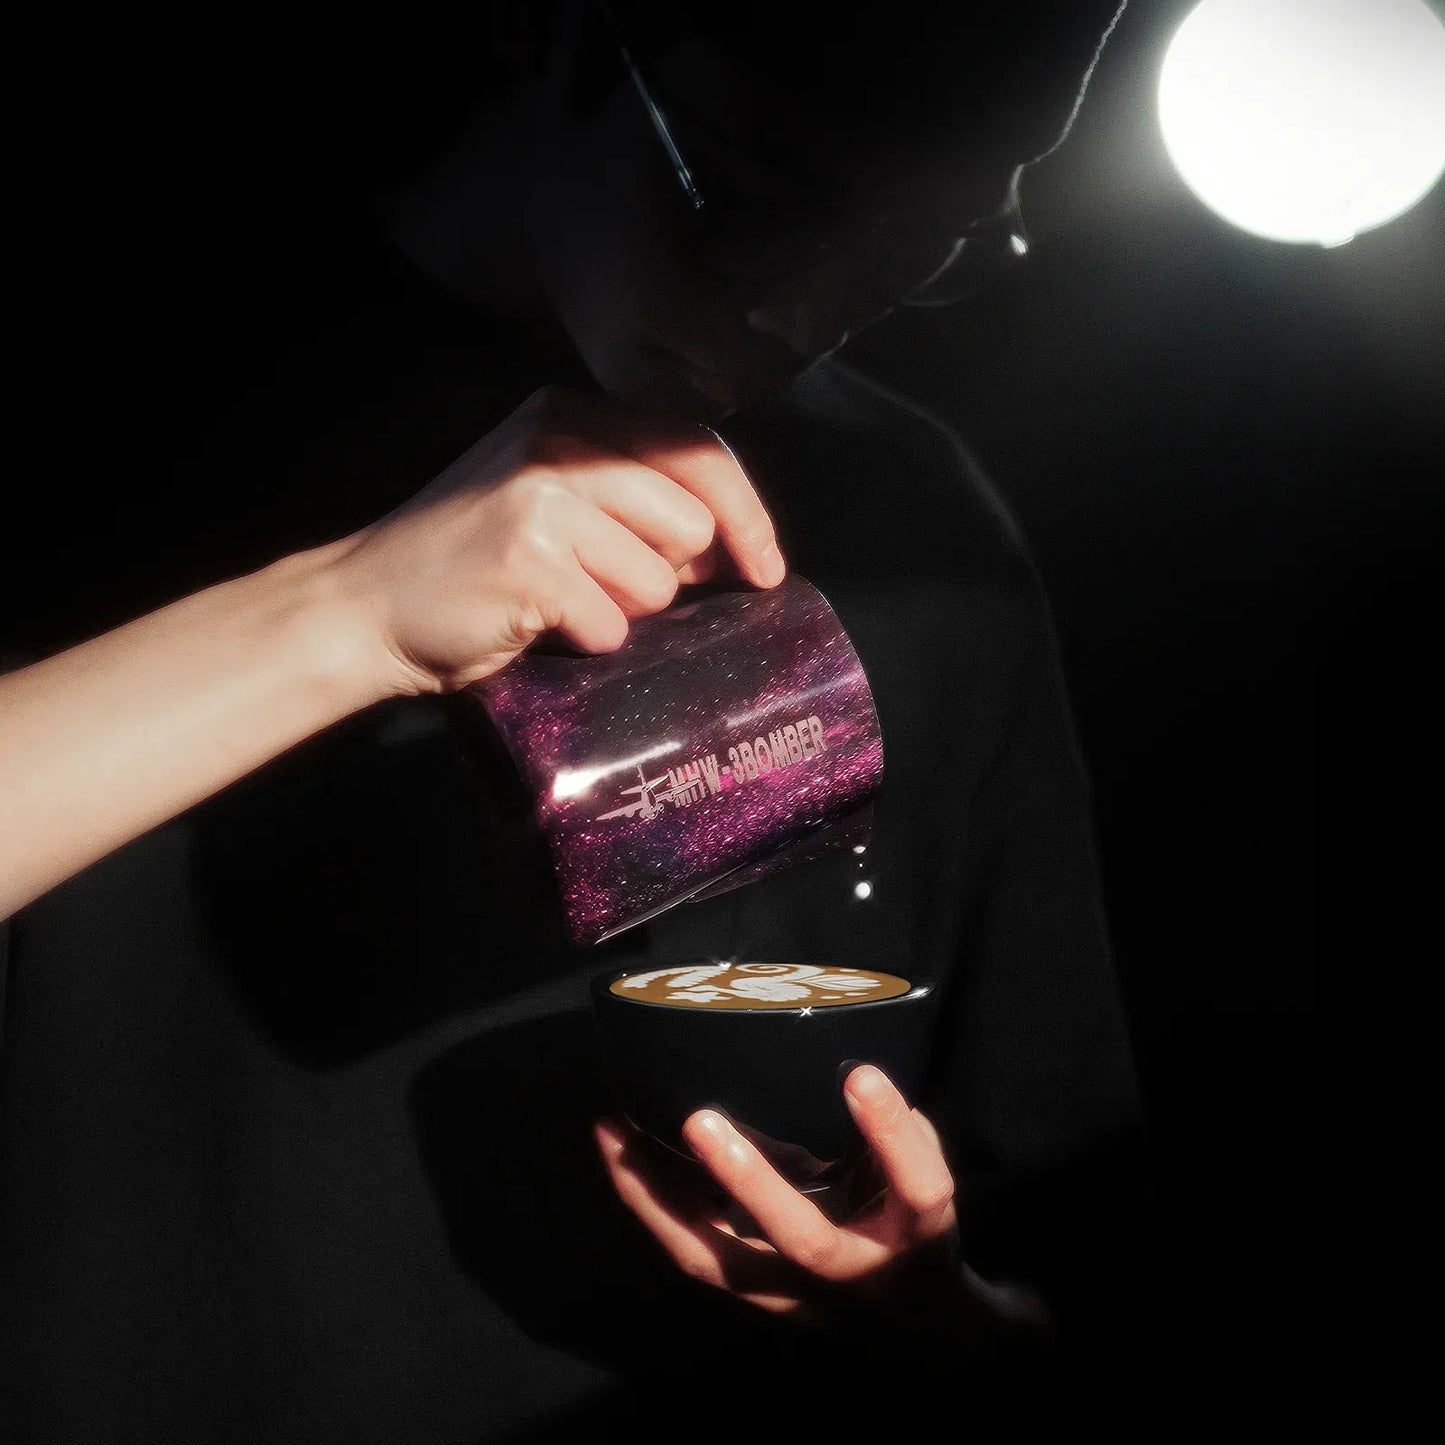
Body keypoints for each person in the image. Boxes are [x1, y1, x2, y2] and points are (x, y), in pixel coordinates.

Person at [0, 2, 1150, 1438]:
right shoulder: (91, 390)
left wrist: (929, 1322)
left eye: (928, 242)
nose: (804, 312)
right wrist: (341, 613)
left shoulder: (925, 537)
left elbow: (1071, 1294)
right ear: (558, 37)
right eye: (762, 193)